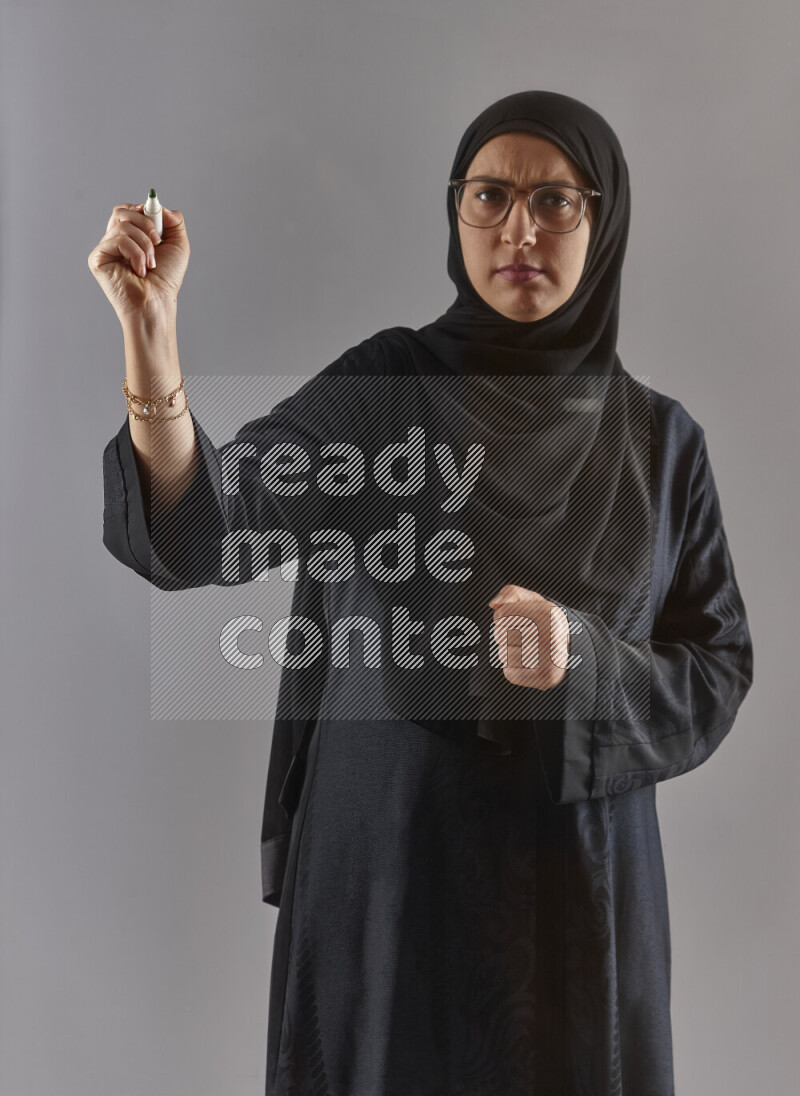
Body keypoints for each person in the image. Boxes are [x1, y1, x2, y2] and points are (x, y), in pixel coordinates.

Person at [90, 91, 754, 1096]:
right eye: (488, 195)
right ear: (454, 213)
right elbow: (212, 526)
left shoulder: (662, 447)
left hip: (578, 904)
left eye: (554, 202)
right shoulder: (382, 393)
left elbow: (714, 669)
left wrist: (583, 654)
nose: (518, 230)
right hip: (390, 886)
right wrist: (152, 343)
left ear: (603, 218)